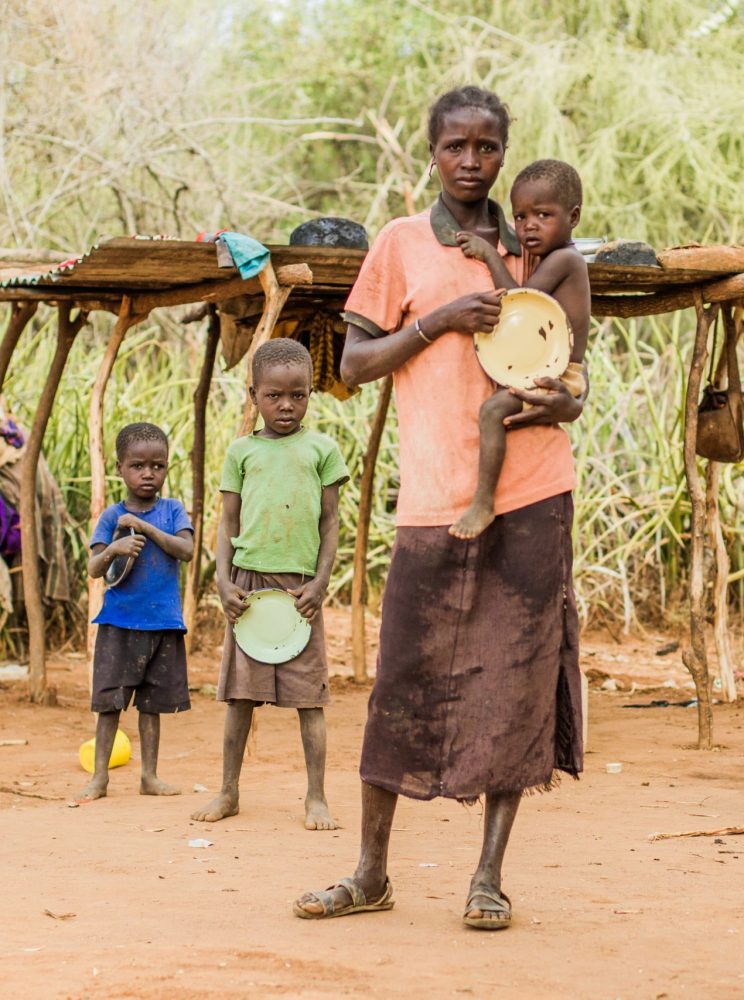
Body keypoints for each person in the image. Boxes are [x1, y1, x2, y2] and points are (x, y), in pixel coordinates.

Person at [293, 85, 585, 930]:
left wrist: (566, 399)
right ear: (431, 153)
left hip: (533, 493)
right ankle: (370, 873)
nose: (470, 161)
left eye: (486, 147)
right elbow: (351, 365)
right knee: (402, 685)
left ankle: (487, 879)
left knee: (518, 683)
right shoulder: (399, 244)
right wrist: (442, 322)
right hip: (432, 498)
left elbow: (572, 368)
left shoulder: (538, 238)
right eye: (455, 146)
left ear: (504, 152)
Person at [191, 338, 349, 831]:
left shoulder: (322, 449)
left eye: (298, 395)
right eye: (274, 395)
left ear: (309, 396)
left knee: (310, 699)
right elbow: (226, 521)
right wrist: (221, 579)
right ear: (253, 393)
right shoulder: (241, 452)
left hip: (301, 590)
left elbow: (330, 522)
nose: (286, 405)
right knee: (240, 697)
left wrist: (322, 581)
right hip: (249, 584)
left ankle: (316, 797)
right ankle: (228, 791)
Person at [449, 158, 590, 539]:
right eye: (521, 216)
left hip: (559, 375)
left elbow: (516, 302)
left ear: (573, 216)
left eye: (543, 215)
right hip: (550, 370)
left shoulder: (565, 260)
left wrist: (490, 255)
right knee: (497, 407)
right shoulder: (551, 258)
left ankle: (483, 502)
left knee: (493, 411)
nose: (529, 226)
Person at [79, 422, 193, 802]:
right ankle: (99, 778)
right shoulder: (112, 516)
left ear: (166, 468)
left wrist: (143, 527)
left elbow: (186, 550)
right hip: (119, 623)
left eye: (157, 466)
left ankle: (150, 776)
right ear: (120, 468)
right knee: (110, 702)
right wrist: (114, 548)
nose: (148, 473)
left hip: (164, 622)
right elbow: (95, 569)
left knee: (152, 704)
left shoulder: (173, 510)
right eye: (138, 466)